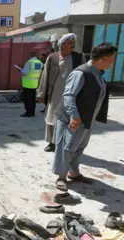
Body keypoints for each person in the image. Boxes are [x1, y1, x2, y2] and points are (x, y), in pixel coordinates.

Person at [52, 43, 116, 191]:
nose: (113, 62)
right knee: (66, 148)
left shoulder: (98, 73)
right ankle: (61, 177)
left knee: (79, 147)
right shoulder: (81, 73)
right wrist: (74, 116)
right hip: (72, 119)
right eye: (112, 59)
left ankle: (73, 173)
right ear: (103, 58)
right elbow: (69, 96)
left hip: (87, 118)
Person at [38, 33, 86, 152]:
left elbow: (85, 75)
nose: (73, 45)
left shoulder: (79, 57)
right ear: (61, 44)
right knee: (51, 118)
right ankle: (51, 143)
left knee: (69, 119)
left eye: (73, 42)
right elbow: (45, 76)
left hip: (72, 94)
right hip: (55, 93)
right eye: (70, 42)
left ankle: (65, 143)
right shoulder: (52, 57)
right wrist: (41, 93)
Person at [19, 51, 43, 117]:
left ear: (30, 55)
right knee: (32, 99)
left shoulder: (29, 62)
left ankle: (28, 112)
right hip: (34, 84)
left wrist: (20, 70)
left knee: (27, 99)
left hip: (27, 84)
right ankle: (32, 112)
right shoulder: (40, 63)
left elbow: (25, 73)